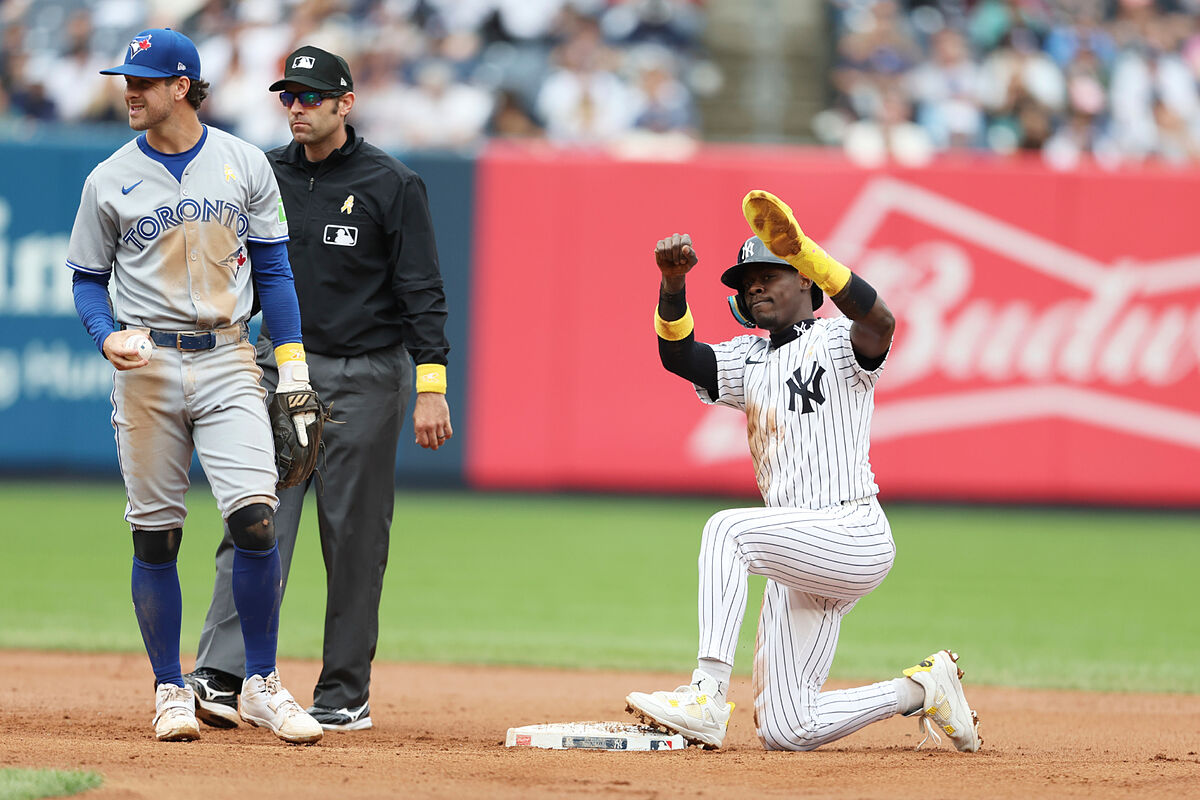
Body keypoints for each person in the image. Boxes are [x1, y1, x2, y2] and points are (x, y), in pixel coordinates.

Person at [624, 190, 982, 753]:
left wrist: (808, 251)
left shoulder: (840, 342)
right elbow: (679, 355)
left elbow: (880, 319)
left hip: (852, 531)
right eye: (747, 281)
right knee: (788, 729)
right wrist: (673, 285)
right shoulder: (749, 360)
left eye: (771, 273)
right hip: (800, 551)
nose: (755, 286)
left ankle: (706, 694)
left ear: (809, 282)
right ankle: (923, 689)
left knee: (727, 530)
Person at [66, 28, 323, 745]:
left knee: (255, 520)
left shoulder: (243, 163)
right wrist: (105, 333)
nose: (129, 92)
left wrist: (293, 366)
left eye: (142, 80)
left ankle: (263, 682)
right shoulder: (107, 178)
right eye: (127, 80)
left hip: (228, 356)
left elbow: (273, 270)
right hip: (147, 362)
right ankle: (169, 689)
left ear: (182, 86)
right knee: (158, 537)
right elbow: (88, 279)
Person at [186, 45, 453, 732]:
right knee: (253, 518)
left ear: (345, 103)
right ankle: (221, 671)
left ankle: (344, 691)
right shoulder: (259, 173)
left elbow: (422, 290)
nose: (297, 107)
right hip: (281, 370)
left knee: (354, 537)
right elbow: (229, 271)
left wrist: (432, 384)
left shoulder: (392, 183)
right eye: (289, 96)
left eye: (310, 95)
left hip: (367, 374)